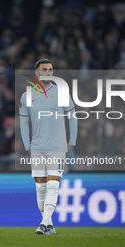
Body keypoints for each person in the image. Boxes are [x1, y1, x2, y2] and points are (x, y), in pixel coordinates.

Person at [19, 59, 77, 235]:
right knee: (40, 188)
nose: (48, 72)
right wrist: (27, 145)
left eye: (51, 70)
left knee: (53, 186)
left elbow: (73, 117)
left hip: (58, 147)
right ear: (37, 73)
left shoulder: (62, 93)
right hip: (37, 148)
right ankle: (49, 224)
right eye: (44, 70)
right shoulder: (27, 96)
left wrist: (71, 142)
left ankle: (43, 224)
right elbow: (23, 123)